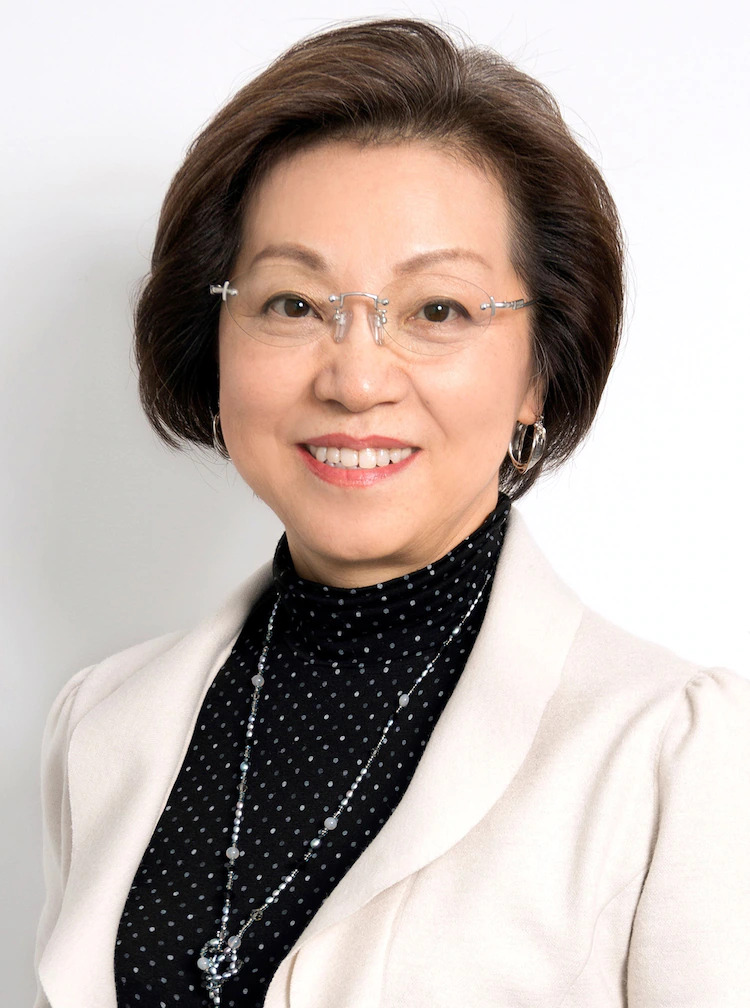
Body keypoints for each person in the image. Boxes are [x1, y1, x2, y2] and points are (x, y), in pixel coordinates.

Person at [34, 17, 750, 1008]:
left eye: (437, 311)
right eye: (293, 304)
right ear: (215, 341)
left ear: (540, 371)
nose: (357, 378)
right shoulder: (103, 722)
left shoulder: (672, 750)